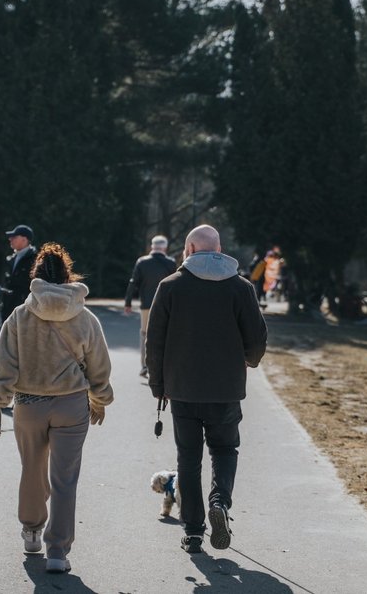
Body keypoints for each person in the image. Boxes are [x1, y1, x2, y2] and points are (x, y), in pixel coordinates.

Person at [0, 243, 114, 575]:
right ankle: (57, 551)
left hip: (29, 404)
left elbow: (5, 364)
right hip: (71, 404)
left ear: (36, 275)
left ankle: (31, 532)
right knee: (65, 479)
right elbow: (99, 366)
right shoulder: (85, 317)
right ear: (68, 275)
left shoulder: (19, 316)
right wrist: (99, 400)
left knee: (32, 468)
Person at [146, 224, 267, 554]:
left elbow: (154, 342)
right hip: (226, 388)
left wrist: (158, 385)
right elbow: (257, 337)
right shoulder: (241, 288)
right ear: (219, 250)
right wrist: (249, 360)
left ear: (188, 250)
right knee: (225, 450)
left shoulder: (170, 286)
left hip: (182, 388)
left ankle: (193, 532)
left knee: (188, 459)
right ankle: (220, 502)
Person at [124, 235, 176, 377]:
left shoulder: (142, 262)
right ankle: (162, 366)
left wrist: (128, 302)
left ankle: (145, 365)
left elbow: (133, 283)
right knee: (165, 334)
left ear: (152, 247)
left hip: (146, 305)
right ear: (165, 248)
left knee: (145, 334)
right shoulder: (171, 263)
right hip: (166, 305)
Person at [1, 224, 37, 322]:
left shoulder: (35, 260)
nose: (10, 239)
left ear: (24, 240)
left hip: (24, 312)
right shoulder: (11, 259)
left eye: (14, 237)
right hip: (7, 311)